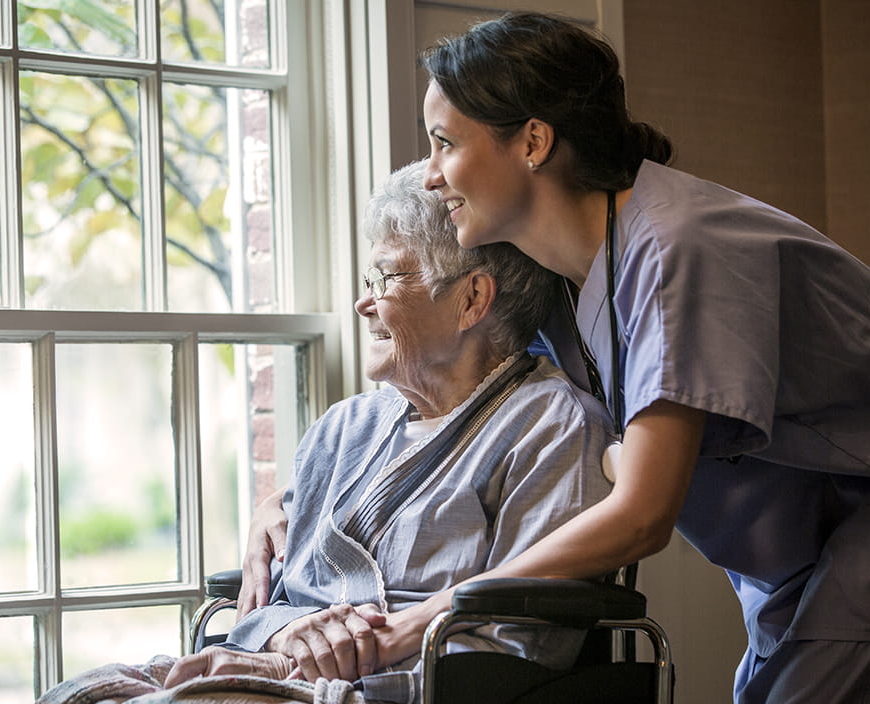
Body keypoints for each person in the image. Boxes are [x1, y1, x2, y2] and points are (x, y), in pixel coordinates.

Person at [416, 10, 870, 704]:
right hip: (798, 558)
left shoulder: (676, 249)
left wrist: (440, 611)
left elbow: (642, 515)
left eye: (444, 144)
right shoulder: (552, 289)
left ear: (534, 141)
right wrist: (290, 505)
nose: (430, 176)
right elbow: (459, 413)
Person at [36, 160, 616, 704]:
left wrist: (323, 664)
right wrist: (284, 643)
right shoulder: (343, 429)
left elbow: (521, 646)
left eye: (386, 277)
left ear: (471, 299)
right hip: (273, 664)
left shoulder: (551, 426)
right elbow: (276, 601)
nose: (364, 303)